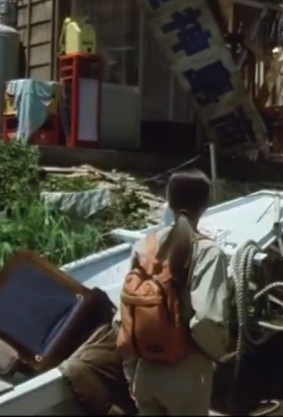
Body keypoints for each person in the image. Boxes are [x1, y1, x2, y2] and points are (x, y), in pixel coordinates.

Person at [116, 169, 230, 415]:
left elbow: (124, 317)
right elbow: (207, 320)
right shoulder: (208, 252)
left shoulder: (143, 246)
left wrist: (132, 371)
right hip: (187, 372)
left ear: (168, 201)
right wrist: (216, 356)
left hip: (145, 372)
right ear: (205, 204)